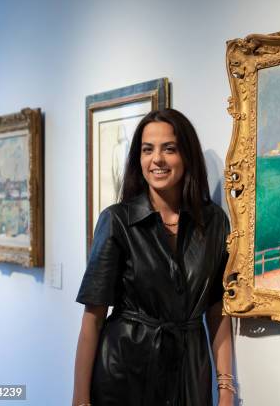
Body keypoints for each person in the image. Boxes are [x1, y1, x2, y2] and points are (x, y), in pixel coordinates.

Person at [72, 109, 234, 406]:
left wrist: (226, 387)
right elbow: (92, 320)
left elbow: (216, 309)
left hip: (189, 369)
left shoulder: (214, 222)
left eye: (169, 149)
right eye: (148, 150)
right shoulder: (117, 221)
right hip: (125, 371)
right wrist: (80, 399)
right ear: (139, 159)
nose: (156, 159)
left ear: (187, 156)